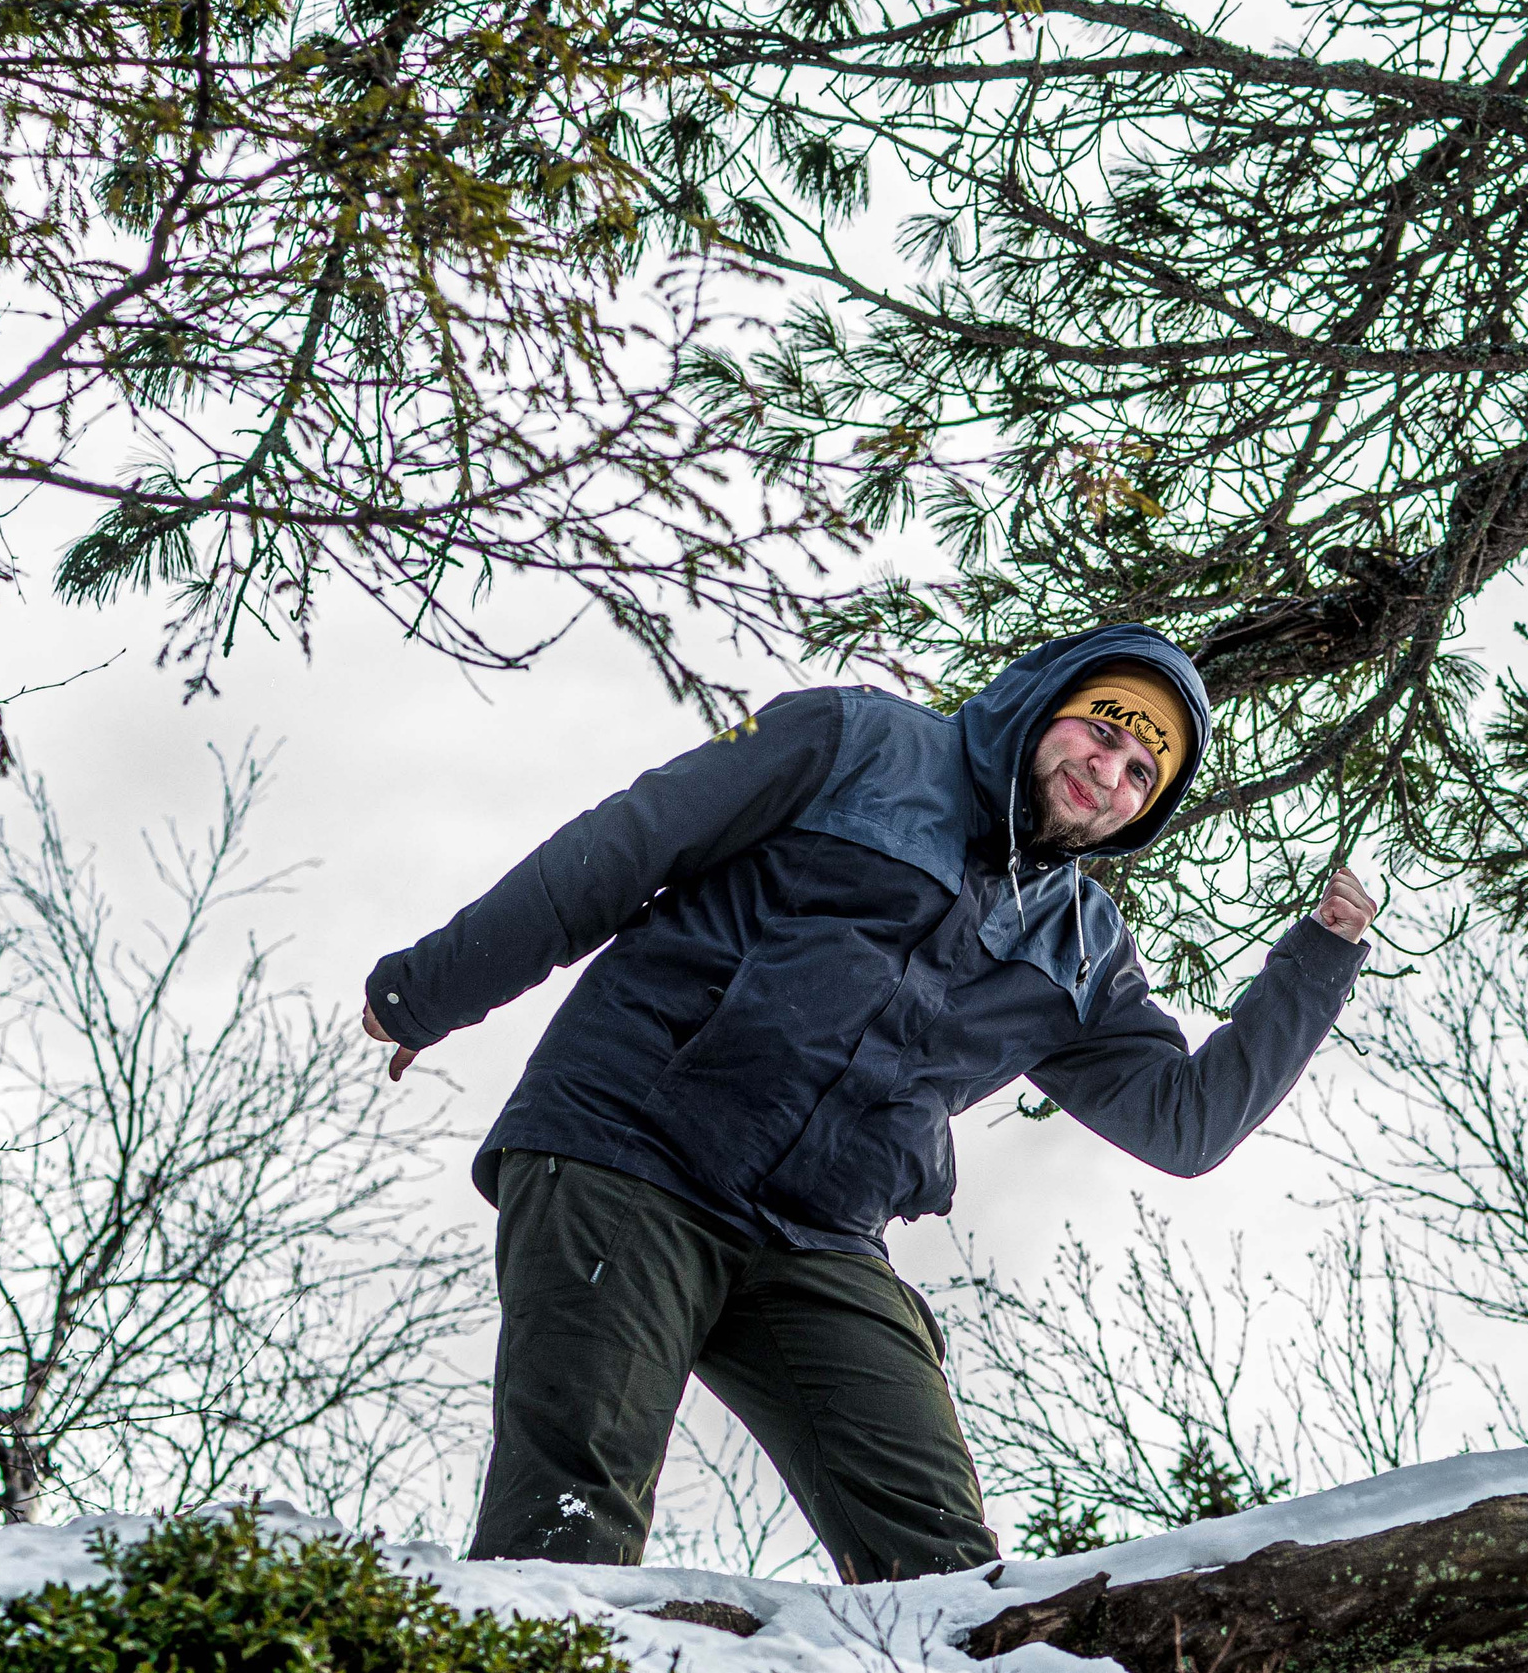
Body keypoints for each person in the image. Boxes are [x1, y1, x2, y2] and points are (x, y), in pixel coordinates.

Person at [364, 621, 1378, 1583]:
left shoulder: (1082, 942)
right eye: (1102, 732)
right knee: (566, 1525)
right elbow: (619, 852)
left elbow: (1185, 1121)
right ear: (1046, 706)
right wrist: (428, 989)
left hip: (818, 1237)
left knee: (948, 1576)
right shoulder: (852, 739)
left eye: (1140, 774)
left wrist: (1316, 965)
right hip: (627, 1149)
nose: (1108, 774)